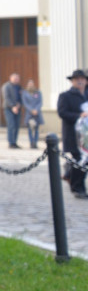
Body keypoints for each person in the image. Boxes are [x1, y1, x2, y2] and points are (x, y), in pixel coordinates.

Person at [57, 69, 88, 199]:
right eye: (77, 79)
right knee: (79, 160)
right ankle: (77, 188)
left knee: (84, 161)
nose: (80, 81)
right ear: (72, 81)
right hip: (74, 136)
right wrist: (79, 115)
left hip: (86, 135)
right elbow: (62, 113)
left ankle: (70, 173)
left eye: (82, 79)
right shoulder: (65, 96)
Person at [2, 73, 23, 149]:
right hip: (8, 109)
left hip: (17, 109)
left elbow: (21, 97)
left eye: (17, 78)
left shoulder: (19, 87)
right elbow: (6, 98)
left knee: (17, 125)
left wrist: (19, 104)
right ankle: (11, 142)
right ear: (11, 78)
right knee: (11, 125)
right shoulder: (6, 86)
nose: (16, 80)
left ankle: (15, 142)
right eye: (15, 78)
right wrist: (12, 106)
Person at [22, 80, 44, 149]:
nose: (31, 85)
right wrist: (31, 110)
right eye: (29, 84)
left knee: (36, 129)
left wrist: (36, 110)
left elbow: (40, 102)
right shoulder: (24, 93)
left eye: (32, 84)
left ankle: (35, 142)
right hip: (29, 114)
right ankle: (31, 142)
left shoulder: (38, 92)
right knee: (30, 129)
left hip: (37, 113)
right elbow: (25, 103)